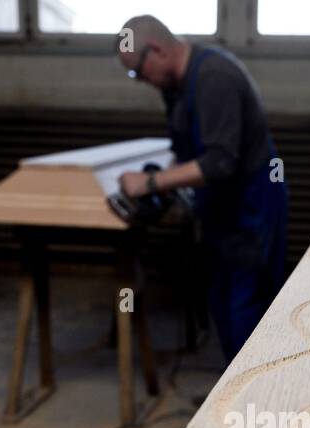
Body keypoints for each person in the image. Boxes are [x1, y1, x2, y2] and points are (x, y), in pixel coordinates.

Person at [116, 15, 288, 362]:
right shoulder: (174, 88)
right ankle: (231, 397)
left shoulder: (214, 76)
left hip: (252, 203)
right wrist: (164, 181)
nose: (139, 81)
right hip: (221, 205)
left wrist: (149, 182)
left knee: (246, 304)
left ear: (156, 50)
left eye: (137, 71)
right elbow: (186, 154)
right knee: (220, 299)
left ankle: (253, 407)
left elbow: (220, 161)